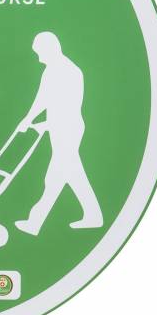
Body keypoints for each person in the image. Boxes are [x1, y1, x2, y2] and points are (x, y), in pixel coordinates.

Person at [14, 32, 103, 237]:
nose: (38, 58)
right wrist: (28, 119)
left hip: (68, 128)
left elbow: (68, 107)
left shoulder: (69, 71)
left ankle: (34, 223)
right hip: (59, 127)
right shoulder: (51, 71)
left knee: (54, 177)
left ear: (50, 49)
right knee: (73, 174)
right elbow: (43, 99)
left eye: (40, 53)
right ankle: (93, 216)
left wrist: (44, 124)